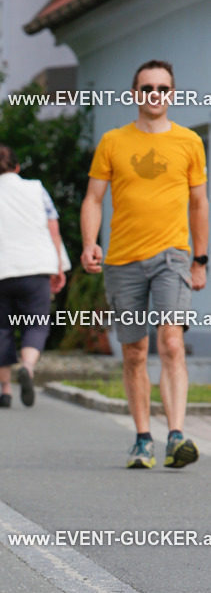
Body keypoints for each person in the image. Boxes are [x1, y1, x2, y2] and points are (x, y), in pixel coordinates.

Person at [81, 59, 208, 469]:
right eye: (147, 88)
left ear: (172, 94)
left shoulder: (189, 142)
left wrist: (201, 259)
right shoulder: (113, 142)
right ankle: (142, 439)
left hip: (172, 256)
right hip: (122, 260)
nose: (155, 95)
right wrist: (88, 243)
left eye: (163, 89)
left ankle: (175, 435)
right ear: (135, 94)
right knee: (134, 352)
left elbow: (199, 203)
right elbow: (94, 199)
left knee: (171, 342)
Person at [0, 145, 67, 408]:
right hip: (35, 267)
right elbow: (53, 229)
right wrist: (57, 266)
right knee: (35, 322)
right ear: (17, 166)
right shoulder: (36, 190)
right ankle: (28, 366)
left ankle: (5, 390)